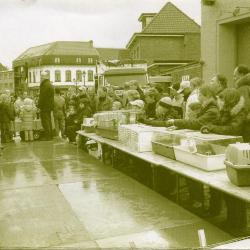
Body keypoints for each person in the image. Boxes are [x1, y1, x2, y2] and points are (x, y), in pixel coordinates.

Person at [233, 64, 250, 142]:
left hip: (246, 127)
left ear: (242, 75)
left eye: (235, 76)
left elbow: (243, 108)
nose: (234, 79)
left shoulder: (243, 88)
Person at [38, 71, 54, 140]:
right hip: (49, 106)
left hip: (44, 106)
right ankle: (50, 135)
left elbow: (42, 96)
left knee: (45, 121)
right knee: (49, 120)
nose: (41, 78)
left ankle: (48, 136)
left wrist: (39, 105)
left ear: (44, 77)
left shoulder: (44, 85)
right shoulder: (49, 84)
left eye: (41, 76)